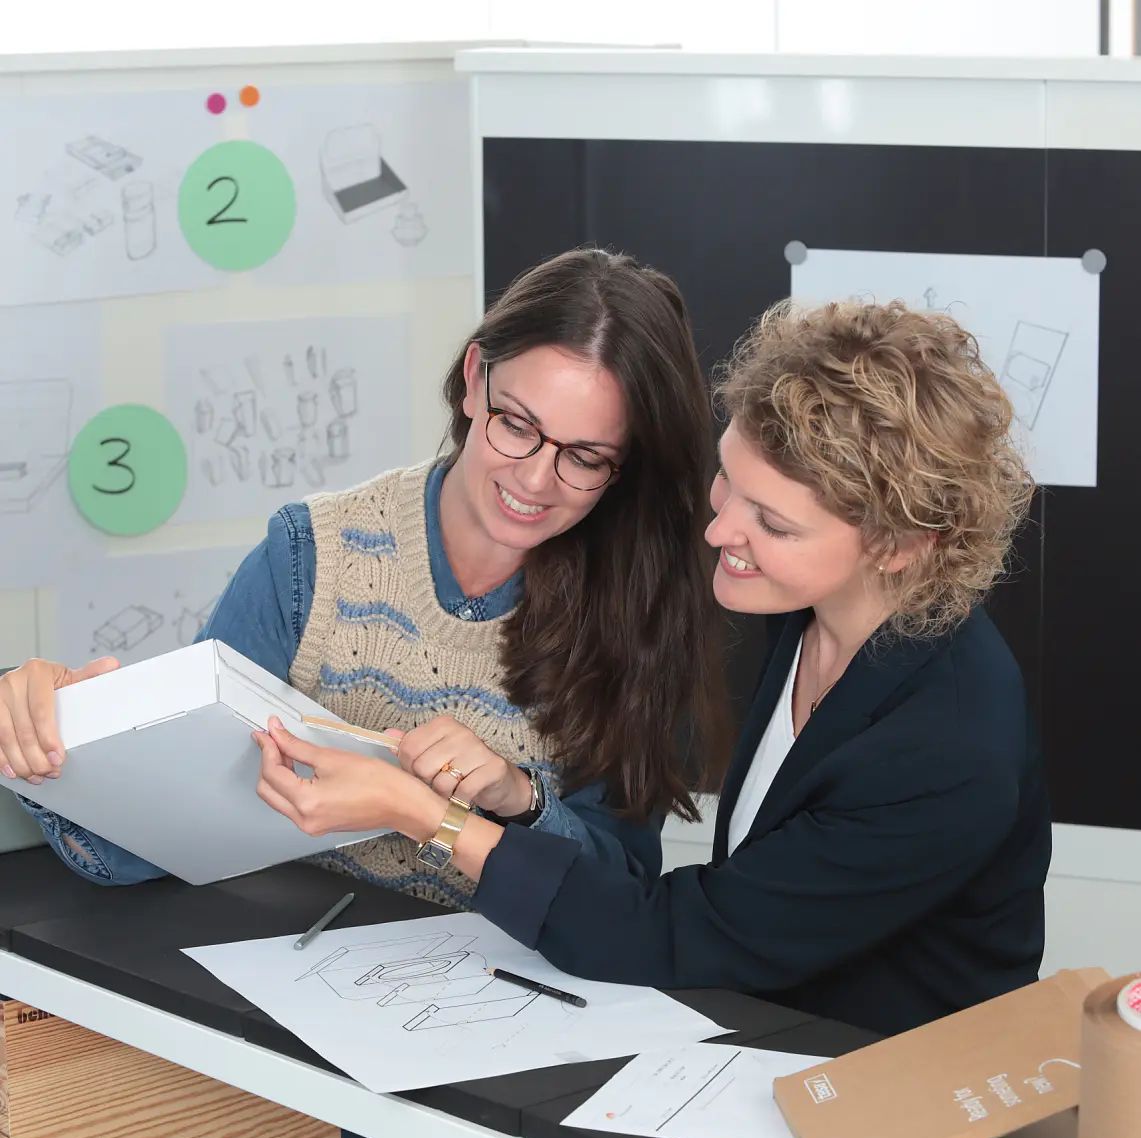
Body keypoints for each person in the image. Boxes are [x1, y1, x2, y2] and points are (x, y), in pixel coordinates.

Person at [248, 298, 1051, 1036]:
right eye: (727, 483)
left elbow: (676, 931)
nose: (718, 531)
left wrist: (424, 814)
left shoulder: (946, 748)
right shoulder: (807, 612)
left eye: (769, 521)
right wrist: (513, 796)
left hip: (885, 1084)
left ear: (901, 545)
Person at [0, 247, 728, 908]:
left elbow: (622, 894)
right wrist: (47, 731)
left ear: (623, 463)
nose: (535, 479)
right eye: (517, 424)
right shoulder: (310, 557)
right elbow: (155, 838)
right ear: (475, 380)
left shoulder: (640, 603)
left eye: (585, 457)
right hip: (283, 971)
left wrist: (519, 797)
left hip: (499, 1007)